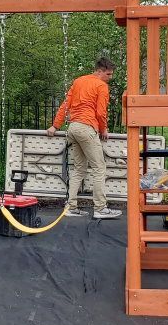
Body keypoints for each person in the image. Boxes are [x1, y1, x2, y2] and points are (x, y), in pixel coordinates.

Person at [47, 57, 122, 219]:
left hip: (73, 128)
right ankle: (101, 208)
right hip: (87, 128)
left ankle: (71, 206)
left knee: (79, 169)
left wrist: (55, 125)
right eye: (108, 74)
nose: (110, 77)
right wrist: (103, 129)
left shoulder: (79, 81)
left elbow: (65, 105)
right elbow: (101, 112)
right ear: (100, 71)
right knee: (99, 168)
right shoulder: (101, 86)